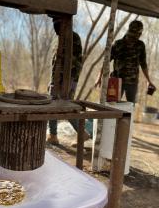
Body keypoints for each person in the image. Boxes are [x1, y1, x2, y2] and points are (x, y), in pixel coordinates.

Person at [47, 17, 90, 145]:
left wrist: (69, 82)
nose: (56, 29)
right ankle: (53, 135)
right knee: (52, 106)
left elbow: (74, 63)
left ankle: (81, 133)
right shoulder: (60, 38)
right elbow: (56, 62)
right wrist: (52, 80)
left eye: (58, 25)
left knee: (65, 107)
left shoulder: (73, 38)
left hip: (67, 80)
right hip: (57, 80)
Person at [95, 20, 156, 103]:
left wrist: (148, 81)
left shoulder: (140, 45)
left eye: (136, 35)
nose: (133, 38)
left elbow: (143, 64)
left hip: (132, 82)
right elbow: (106, 62)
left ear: (139, 34)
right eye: (132, 35)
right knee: (111, 105)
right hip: (116, 81)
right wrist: (99, 77)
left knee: (130, 108)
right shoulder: (118, 44)